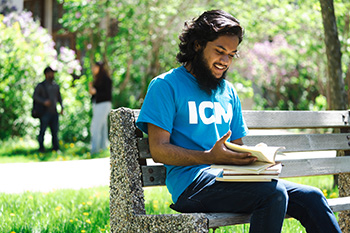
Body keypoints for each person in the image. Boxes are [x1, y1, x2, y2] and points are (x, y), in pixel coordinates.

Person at [136, 10, 341, 233]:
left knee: (312, 197)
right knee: (273, 194)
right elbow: (158, 150)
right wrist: (208, 157)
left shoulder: (228, 92)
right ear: (197, 45)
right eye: (220, 51)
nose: (225, 61)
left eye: (231, 54)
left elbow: (237, 146)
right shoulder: (166, 86)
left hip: (227, 179)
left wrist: (257, 162)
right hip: (191, 186)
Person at [33, 66, 64, 152]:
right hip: (44, 112)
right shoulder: (41, 86)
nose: (53, 75)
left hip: (54, 112)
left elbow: (59, 97)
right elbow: (35, 96)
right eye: (51, 73)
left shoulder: (56, 86)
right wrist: (44, 101)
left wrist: (62, 107)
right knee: (42, 131)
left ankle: (56, 148)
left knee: (55, 131)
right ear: (46, 74)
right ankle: (41, 148)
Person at [88, 61, 112, 154]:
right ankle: (103, 148)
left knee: (95, 126)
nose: (93, 69)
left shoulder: (106, 80)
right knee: (102, 127)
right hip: (97, 104)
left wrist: (95, 91)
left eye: (95, 67)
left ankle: (94, 150)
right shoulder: (97, 79)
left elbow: (106, 94)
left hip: (103, 104)